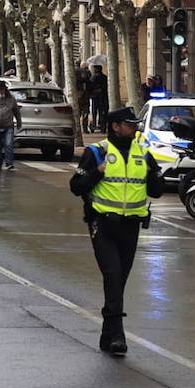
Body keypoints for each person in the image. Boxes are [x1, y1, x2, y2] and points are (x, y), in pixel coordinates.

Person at [69, 107, 164, 355]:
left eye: (135, 125)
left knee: (120, 279)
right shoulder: (97, 152)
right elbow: (76, 186)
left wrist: (156, 173)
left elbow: (156, 191)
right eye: (129, 124)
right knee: (112, 275)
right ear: (115, 127)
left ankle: (107, 332)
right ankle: (118, 335)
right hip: (102, 224)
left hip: (130, 225)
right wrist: (96, 173)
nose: (134, 129)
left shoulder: (142, 153)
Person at [88, 65, 109, 132]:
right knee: (102, 111)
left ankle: (94, 123)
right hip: (103, 97)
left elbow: (90, 86)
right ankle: (102, 124)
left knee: (94, 112)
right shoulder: (105, 77)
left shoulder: (93, 77)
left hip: (95, 97)